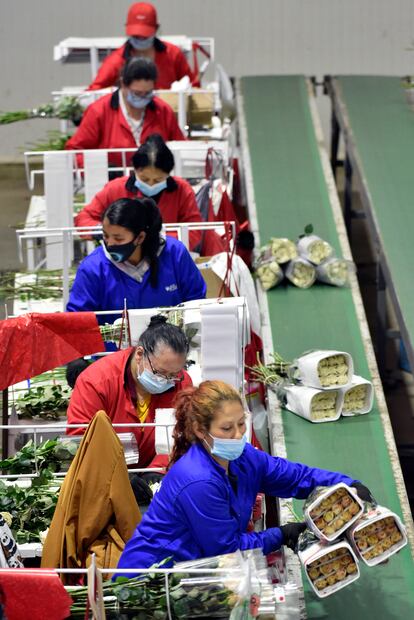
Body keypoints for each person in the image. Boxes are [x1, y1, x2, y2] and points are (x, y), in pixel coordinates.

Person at [117, 380, 375, 572]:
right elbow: (225, 549)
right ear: (199, 429)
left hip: (195, 571)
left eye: (241, 423)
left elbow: (293, 477)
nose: (239, 434)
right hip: (154, 580)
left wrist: (347, 484)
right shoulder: (198, 481)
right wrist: (282, 535)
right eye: (227, 428)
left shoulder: (242, 457)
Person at [67, 315, 192, 468]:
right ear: (139, 354)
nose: (166, 380)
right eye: (160, 373)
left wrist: (157, 470)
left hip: (160, 476)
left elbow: (183, 438)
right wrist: (118, 476)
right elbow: (80, 442)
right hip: (106, 475)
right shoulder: (95, 381)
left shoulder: (182, 382)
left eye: (173, 375)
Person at [75, 133, 225, 256]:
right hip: (122, 258)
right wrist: (108, 233)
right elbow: (84, 219)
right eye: (145, 179)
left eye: (158, 179)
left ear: (169, 174)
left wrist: (157, 240)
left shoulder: (182, 190)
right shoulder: (115, 188)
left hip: (166, 256)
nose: (151, 184)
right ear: (135, 170)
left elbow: (194, 231)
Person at [67, 197, 206, 312]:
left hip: (171, 344)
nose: (109, 244)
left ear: (140, 238)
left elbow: (196, 301)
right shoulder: (92, 268)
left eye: (118, 238)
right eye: (105, 235)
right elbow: (77, 320)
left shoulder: (175, 253)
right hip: (115, 346)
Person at [66, 57, 185, 166]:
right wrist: (101, 169)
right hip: (111, 184)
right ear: (123, 84)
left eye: (148, 93)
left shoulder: (163, 111)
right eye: (137, 93)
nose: (142, 97)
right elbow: (75, 152)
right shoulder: (99, 111)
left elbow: (182, 149)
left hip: (155, 183)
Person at [88, 2, 198, 91]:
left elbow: (194, 86)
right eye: (136, 35)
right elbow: (93, 93)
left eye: (145, 35)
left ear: (156, 28)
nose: (140, 39)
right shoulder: (116, 61)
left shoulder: (173, 54)